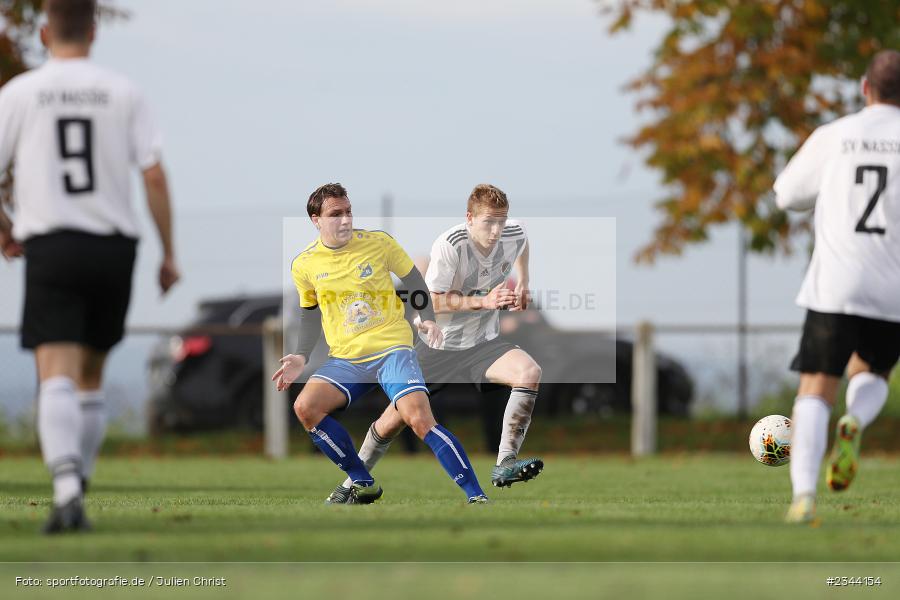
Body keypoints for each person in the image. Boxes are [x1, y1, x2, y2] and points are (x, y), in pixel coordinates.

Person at [0, 0, 179, 533]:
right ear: (94, 31)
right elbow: (152, 175)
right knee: (92, 377)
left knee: (55, 368)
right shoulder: (123, 91)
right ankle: (80, 482)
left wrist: (4, 227)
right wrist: (169, 252)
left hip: (52, 243)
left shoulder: (20, 93)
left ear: (48, 30)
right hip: (113, 247)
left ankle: (66, 491)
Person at [322, 183, 543, 504]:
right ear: (469, 218)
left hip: (483, 344)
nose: (496, 231)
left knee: (529, 372)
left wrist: (523, 281)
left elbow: (522, 243)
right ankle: (348, 487)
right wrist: (486, 302)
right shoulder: (450, 245)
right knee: (390, 423)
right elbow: (433, 302)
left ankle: (505, 462)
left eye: (501, 221)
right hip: (437, 348)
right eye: (488, 222)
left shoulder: (513, 233)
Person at [272, 183, 488, 504]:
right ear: (316, 220)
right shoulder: (304, 265)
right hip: (346, 358)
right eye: (335, 214)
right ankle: (363, 481)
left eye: (348, 212)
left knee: (420, 419)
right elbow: (309, 313)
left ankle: (476, 496)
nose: (345, 220)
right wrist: (301, 356)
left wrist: (426, 317)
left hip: (393, 351)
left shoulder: (378, 243)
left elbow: (416, 282)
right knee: (306, 408)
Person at [773, 50, 900, 524]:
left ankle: (804, 496)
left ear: (865, 88)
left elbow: (787, 195)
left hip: (837, 283)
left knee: (816, 386)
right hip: (893, 287)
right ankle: (856, 421)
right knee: (871, 372)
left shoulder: (835, 135)